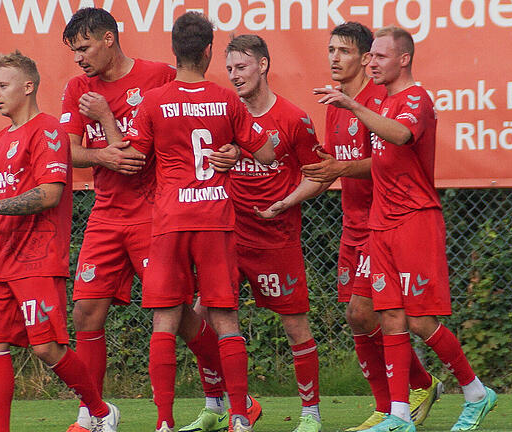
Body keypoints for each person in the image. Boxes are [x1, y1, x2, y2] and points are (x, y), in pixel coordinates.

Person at [61, 8, 238, 431]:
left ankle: (236, 395)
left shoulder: (158, 76)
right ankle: (95, 414)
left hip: (153, 211)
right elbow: (67, 150)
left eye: (84, 48)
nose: (79, 59)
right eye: (73, 52)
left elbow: (192, 126)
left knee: (178, 313)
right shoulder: (78, 88)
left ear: (108, 39)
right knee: (86, 310)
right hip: (106, 212)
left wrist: (229, 151)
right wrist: (101, 154)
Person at [314, 26, 497, 432]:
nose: (371, 62)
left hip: (415, 218)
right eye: (371, 56)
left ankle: (477, 393)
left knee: (420, 321)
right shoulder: (385, 100)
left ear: (403, 59)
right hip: (381, 221)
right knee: (390, 316)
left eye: (379, 56)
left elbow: (401, 135)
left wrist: (354, 106)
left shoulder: (416, 99)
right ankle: (398, 416)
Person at [0, 50, 119, 432]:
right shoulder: (1, 139)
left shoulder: (49, 130)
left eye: (2, 85)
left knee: (46, 347)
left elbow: (49, 193)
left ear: (28, 86)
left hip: (38, 257)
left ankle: (100, 411)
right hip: (1, 259)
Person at [118, 11, 274, 432]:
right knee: (225, 320)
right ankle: (239, 417)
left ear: (175, 50)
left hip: (170, 220)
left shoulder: (153, 100)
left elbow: (132, 158)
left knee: (165, 322)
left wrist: (103, 121)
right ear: (208, 51)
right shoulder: (226, 100)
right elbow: (267, 154)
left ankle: (165, 422)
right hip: (214, 219)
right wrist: (237, 151)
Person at [302, 22, 441, 431]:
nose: (333, 58)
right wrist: (284, 200)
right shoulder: (336, 103)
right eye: (330, 50)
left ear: (366, 58)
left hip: (385, 222)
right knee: (359, 318)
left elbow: (382, 160)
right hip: (354, 222)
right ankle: (397, 401)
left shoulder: (381, 99)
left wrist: (341, 167)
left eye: (343, 51)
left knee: (370, 312)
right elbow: (330, 165)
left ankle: (410, 395)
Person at [197, 33, 325, 432]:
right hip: (229, 235)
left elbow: (319, 175)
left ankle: (311, 414)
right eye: (229, 68)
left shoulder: (293, 118)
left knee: (295, 326)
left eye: (242, 67)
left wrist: (287, 202)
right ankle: (219, 405)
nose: (234, 76)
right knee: (202, 317)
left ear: (263, 65)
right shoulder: (222, 114)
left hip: (276, 240)